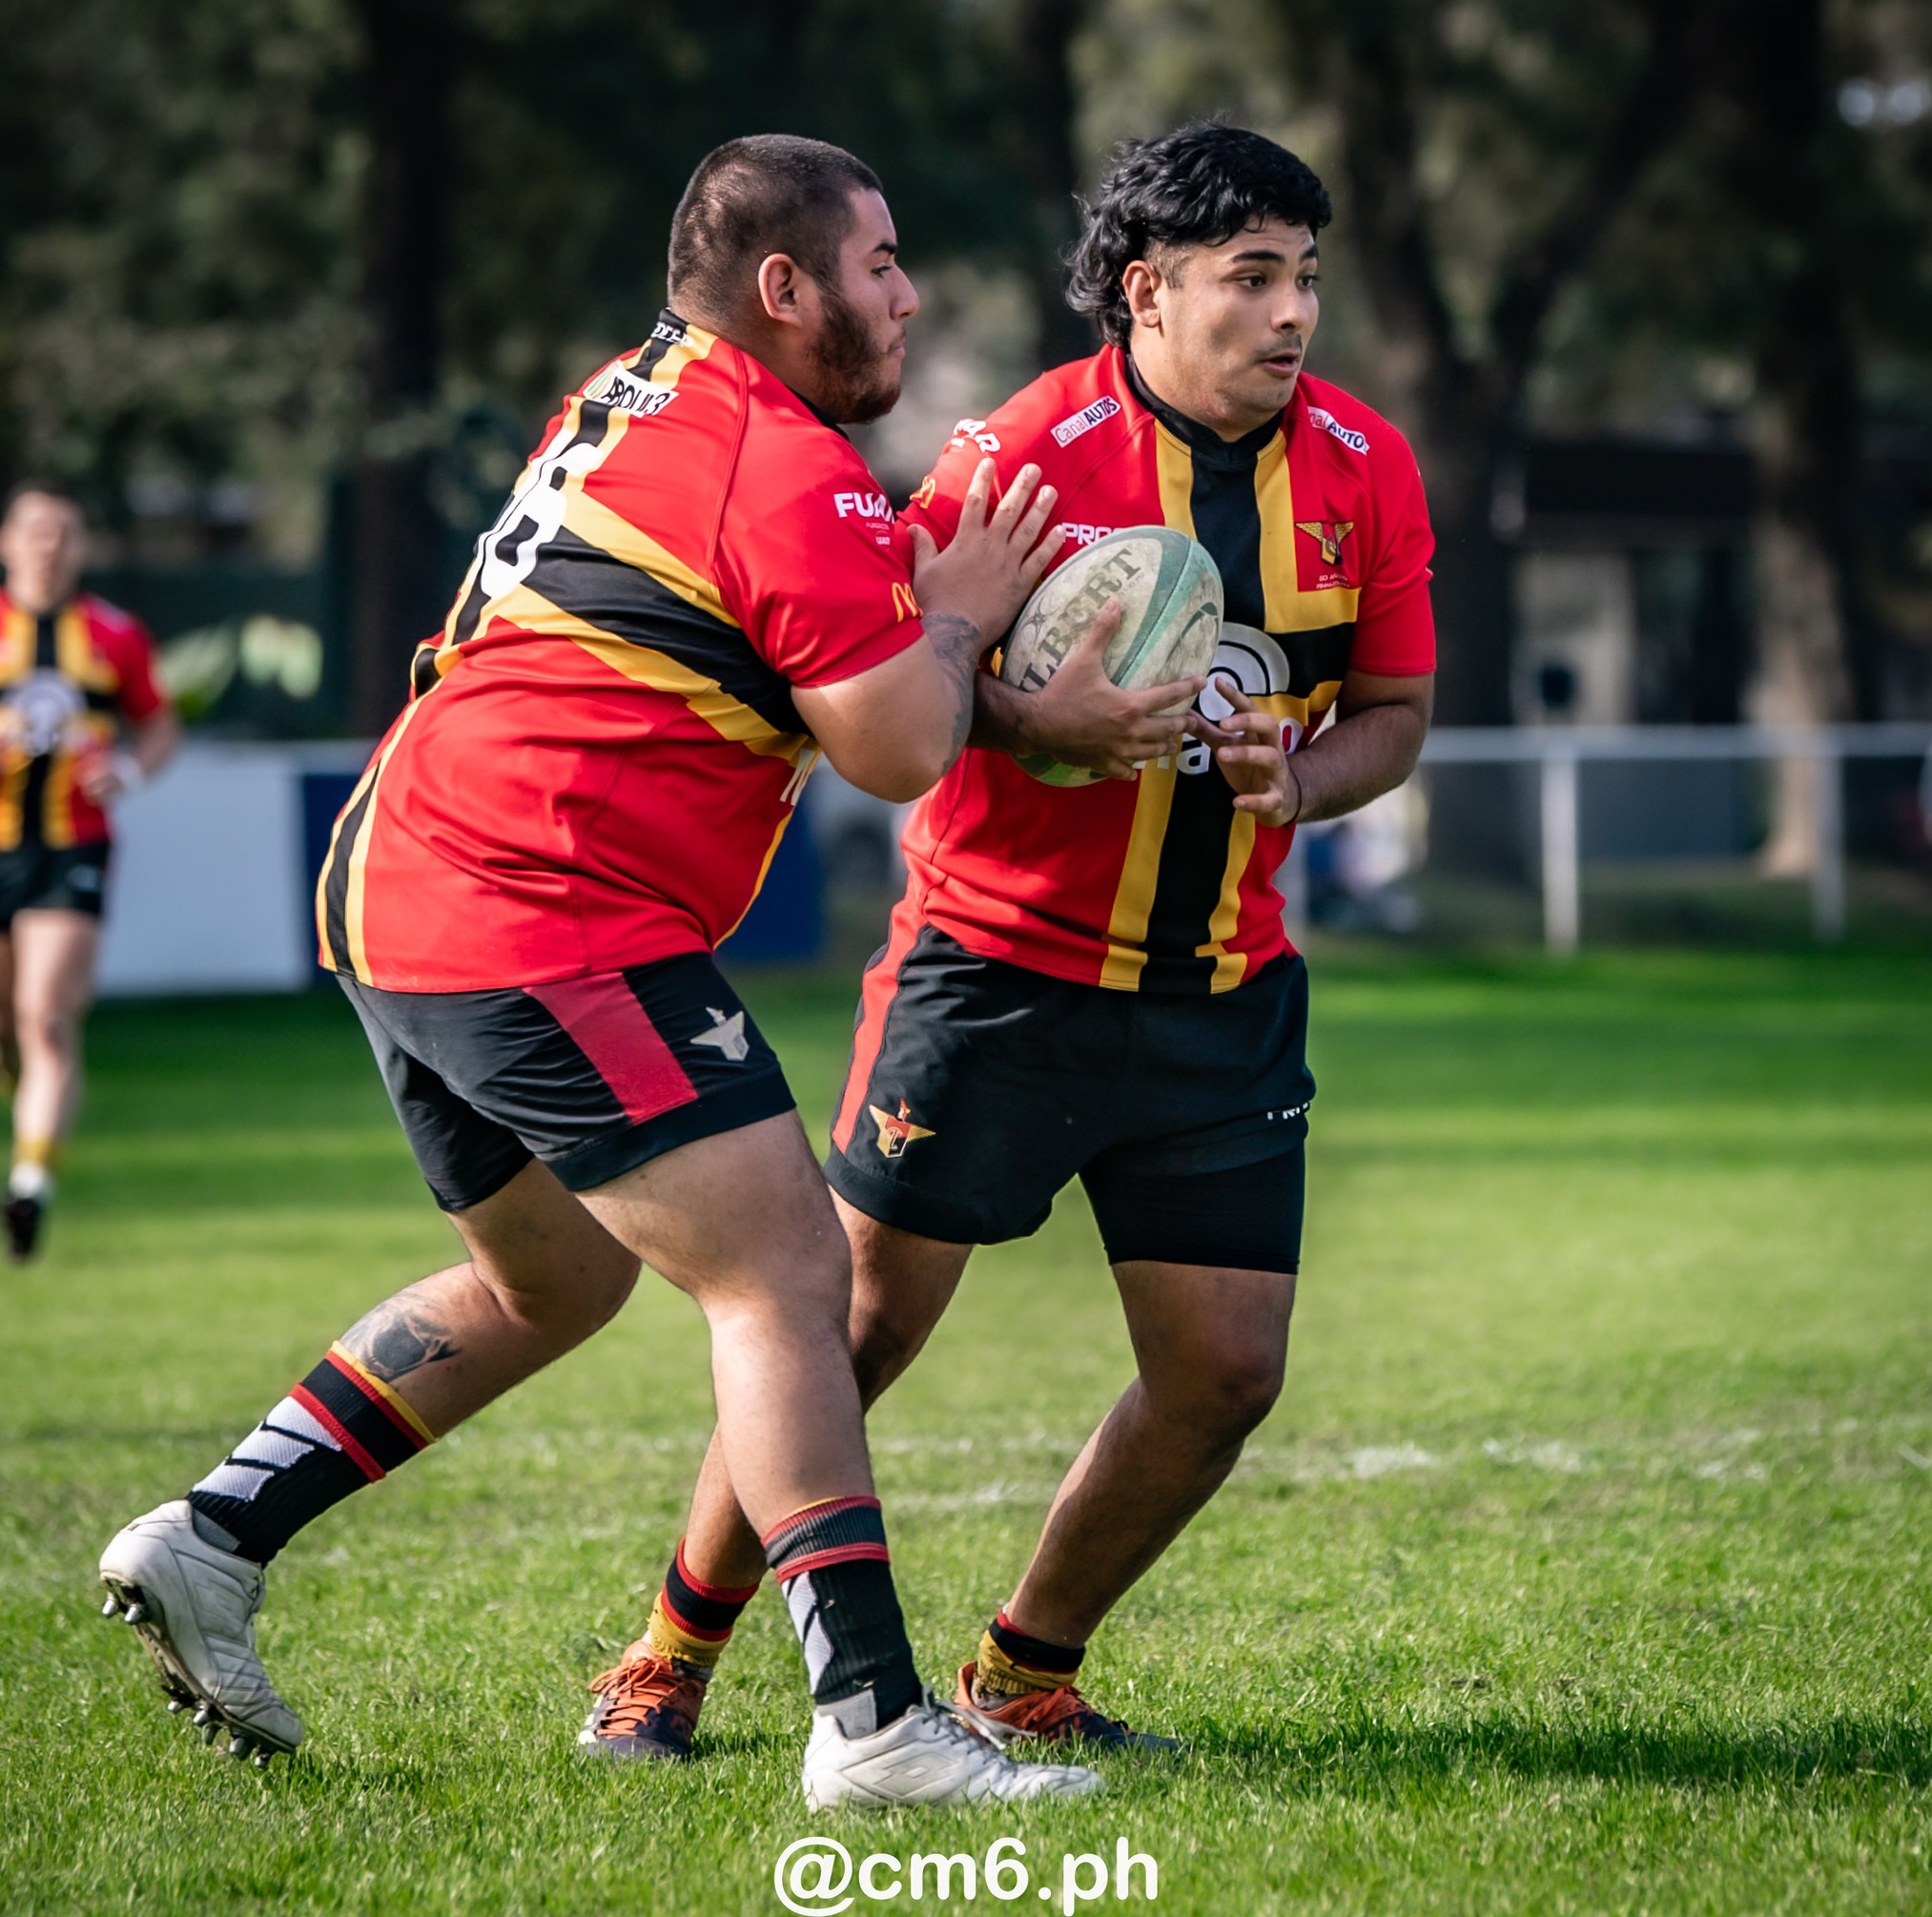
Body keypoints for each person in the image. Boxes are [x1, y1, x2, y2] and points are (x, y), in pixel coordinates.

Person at [98, 134, 1101, 1810]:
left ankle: (213, 1538)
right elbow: (905, 747)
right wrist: (959, 606)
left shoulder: (641, 385)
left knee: (552, 1282)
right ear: (782, 289)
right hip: (536, 898)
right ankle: (871, 1722)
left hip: (400, 877)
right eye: (878, 261)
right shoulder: (784, 465)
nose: (908, 291)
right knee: (787, 1270)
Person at [625, 121, 1437, 1758]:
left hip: (1219, 990)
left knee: (1223, 1370)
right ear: (1144, 291)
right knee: (848, 1330)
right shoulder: (1016, 454)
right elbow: (905, 689)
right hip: (992, 971)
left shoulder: (1366, 465)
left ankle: (1022, 1671)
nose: (1292, 316)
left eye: (1307, 281)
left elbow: (1399, 712)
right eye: (1251, 280)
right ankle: (663, 1662)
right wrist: (1030, 710)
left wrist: (1304, 776)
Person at [0, 483, 178, 1263]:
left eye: (65, 533)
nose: (49, 546)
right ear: (7, 542)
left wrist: (131, 775)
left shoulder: (113, 634)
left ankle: (31, 1185)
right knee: (10, 1029)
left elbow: (158, 724)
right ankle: (31, 1120)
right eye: (35, 531)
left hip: (74, 845)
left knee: (45, 1015)